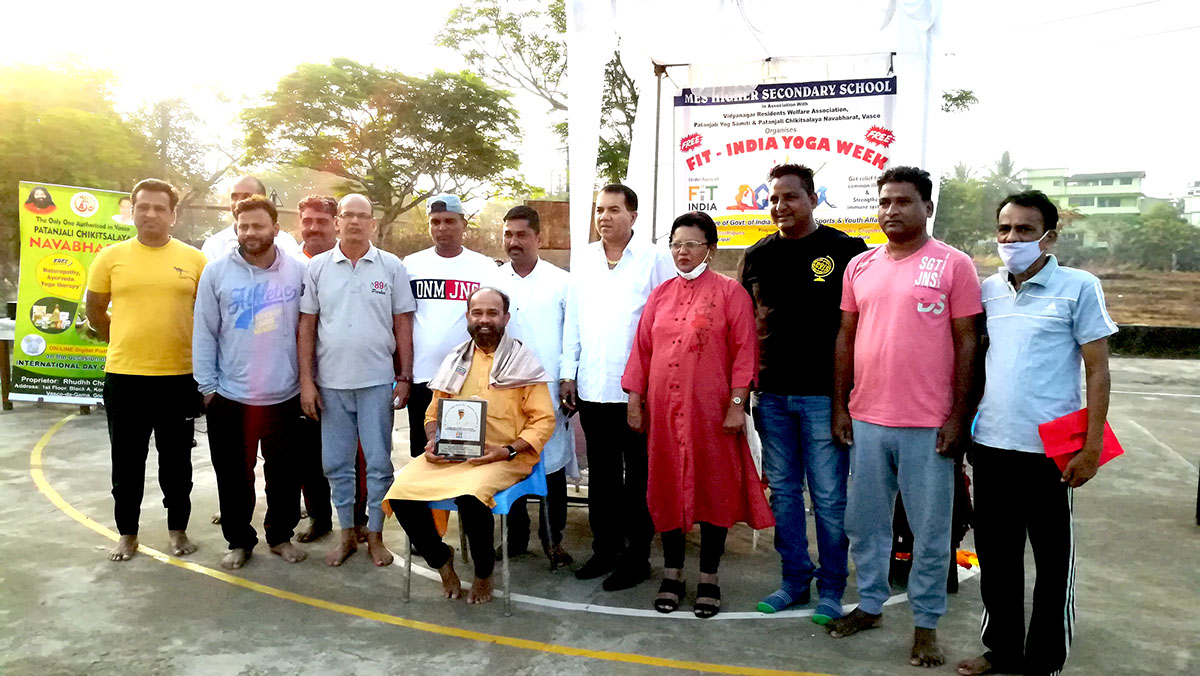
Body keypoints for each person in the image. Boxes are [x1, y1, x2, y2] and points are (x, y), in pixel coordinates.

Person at [955, 191, 1117, 676]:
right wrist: (966, 430)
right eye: (1004, 229)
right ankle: (1001, 648)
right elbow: (980, 363)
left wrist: (1091, 447)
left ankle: (1043, 660)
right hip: (991, 446)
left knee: (1052, 564)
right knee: (997, 558)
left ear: (1050, 235)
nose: (1011, 239)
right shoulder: (988, 290)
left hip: (1052, 452)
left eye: (1025, 230)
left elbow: (1098, 371)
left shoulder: (1079, 287)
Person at [826, 166, 982, 668]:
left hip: (929, 425)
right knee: (865, 523)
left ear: (928, 208)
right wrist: (840, 404)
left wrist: (959, 416)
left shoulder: (954, 265)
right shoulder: (860, 267)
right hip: (868, 418)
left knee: (930, 532)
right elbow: (846, 338)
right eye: (885, 201)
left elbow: (967, 345)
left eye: (904, 202)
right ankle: (870, 604)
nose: (892, 210)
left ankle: (926, 625)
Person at [623, 211, 773, 618]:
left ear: (711, 247)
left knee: (715, 491)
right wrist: (635, 401)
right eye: (676, 244)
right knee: (667, 488)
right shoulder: (660, 295)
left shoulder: (730, 293)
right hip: (663, 414)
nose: (682, 252)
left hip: (713, 414)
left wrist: (737, 406)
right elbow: (642, 351)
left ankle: (709, 576)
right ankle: (672, 573)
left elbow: (746, 353)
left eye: (691, 244)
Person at [739, 163, 868, 621]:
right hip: (771, 397)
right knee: (786, 495)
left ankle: (832, 586)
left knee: (830, 497)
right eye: (773, 198)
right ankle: (794, 579)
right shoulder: (757, 256)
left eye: (790, 196)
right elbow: (745, 329)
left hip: (824, 399)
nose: (780, 206)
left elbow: (859, 328)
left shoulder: (845, 251)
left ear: (814, 198)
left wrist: (844, 401)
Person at [386, 287, 556, 604]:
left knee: (471, 496)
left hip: (502, 456)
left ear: (505, 318)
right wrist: (434, 437)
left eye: (492, 313)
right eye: (477, 313)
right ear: (468, 317)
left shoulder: (523, 362)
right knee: (400, 493)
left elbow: (543, 421)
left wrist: (508, 450)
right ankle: (441, 560)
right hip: (452, 455)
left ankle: (482, 574)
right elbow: (433, 411)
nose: (484, 320)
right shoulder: (455, 359)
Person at [85, 178, 207, 562]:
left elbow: (206, 317)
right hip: (125, 377)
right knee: (126, 460)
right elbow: (94, 310)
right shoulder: (110, 257)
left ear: (173, 215)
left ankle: (178, 529)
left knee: (176, 462)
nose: (151, 214)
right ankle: (127, 534)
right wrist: (120, 338)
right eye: (143, 207)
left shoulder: (194, 259)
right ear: (132, 211)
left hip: (178, 377)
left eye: (159, 208)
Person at [561, 183, 675, 591]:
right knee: (603, 478)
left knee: (639, 478)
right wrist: (567, 370)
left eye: (613, 209)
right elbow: (574, 318)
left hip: (637, 392)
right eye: (599, 210)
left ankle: (637, 557)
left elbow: (666, 319)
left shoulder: (654, 258)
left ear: (634, 216)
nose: (604, 217)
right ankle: (604, 549)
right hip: (592, 386)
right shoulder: (586, 258)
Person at [298, 194, 415, 567]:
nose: (353, 222)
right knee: (336, 463)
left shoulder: (391, 267)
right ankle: (346, 532)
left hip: (377, 382)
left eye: (362, 216)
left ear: (373, 224)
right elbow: (307, 326)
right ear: (337, 222)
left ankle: (375, 534)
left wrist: (405, 376)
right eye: (347, 215)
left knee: (380, 462)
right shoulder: (317, 268)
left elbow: (402, 323)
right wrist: (307, 381)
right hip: (331, 384)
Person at [193, 195, 307, 570]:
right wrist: (207, 387)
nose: (250, 233)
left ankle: (280, 536)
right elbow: (205, 331)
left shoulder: (298, 271)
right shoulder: (216, 272)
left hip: (284, 393)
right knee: (233, 475)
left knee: (285, 474)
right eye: (243, 226)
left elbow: (308, 330)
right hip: (231, 394)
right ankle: (239, 540)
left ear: (275, 228)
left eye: (258, 225)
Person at [488, 205, 577, 567]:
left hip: (549, 391)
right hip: (505, 391)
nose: (514, 242)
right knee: (511, 464)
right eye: (508, 234)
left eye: (522, 234)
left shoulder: (561, 281)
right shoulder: (493, 284)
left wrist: (568, 377)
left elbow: (570, 336)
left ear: (539, 238)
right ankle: (516, 537)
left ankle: (553, 541)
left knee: (551, 469)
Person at [402, 194, 496, 459]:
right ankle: (428, 503)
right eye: (435, 222)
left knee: (464, 453)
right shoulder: (411, 265)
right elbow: (403, 320)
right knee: (425, 454)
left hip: (467, 378)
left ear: (463, 224)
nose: (441, 228)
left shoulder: (484, 267)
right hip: (424, 377)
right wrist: (404, 374)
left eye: (449, 221)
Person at [201, 175, 300, 262]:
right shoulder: (214, 245)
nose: (239, 202)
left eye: (247, 196)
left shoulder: (286, 242)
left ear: (263, 199)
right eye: (234, 197)